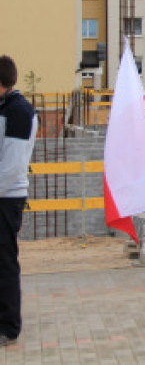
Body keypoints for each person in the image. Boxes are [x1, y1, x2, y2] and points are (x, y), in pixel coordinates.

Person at [0, 55, 37, 346]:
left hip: (6, 198)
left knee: (5, 263)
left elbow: (12, 168)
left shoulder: (19, 112)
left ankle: (8, 326)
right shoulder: (5, 108)